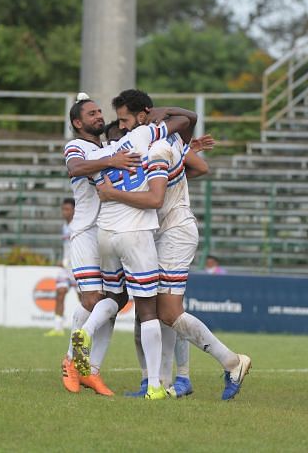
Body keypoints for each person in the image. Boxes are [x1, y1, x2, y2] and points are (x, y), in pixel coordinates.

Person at [95, 91, 252, 401]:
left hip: (175, 232)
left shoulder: (157, 149)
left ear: (142, 117)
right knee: (151, 311)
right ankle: (160, 381)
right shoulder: (165, 144)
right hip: (160, 231)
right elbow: (196, 164)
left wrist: (113, 195)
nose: (121, 126)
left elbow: (154, 198)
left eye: (125, 119)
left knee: (166, 312)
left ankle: (231, 362)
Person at [70, 89, 198, 400]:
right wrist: (157, 115)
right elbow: (184, 120)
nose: (121, 124)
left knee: (113, 297)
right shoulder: (142, 135)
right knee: (148, 310)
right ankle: (154, 384)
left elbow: (94, 181)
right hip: (135, 233)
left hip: (105, 234)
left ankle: (86, 353)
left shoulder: (101, 155)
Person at [59, 95, 140, 397]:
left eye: (98, 112)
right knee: (93, 301)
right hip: (85, 232)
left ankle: (89, 370)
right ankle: (72, 361)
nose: (98, 116)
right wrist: (111, 161)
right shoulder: (76, 146)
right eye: (91, 113)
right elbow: (75, 168)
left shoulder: (108, 147)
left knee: (114, 303)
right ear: (78, 123)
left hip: (109, 231)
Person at [45, 198, 77, 337]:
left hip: (77, 268)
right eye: (63, 209)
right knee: (60, 293)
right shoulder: (65, 226)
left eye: (67, 209)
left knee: (85, 300)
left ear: (74, 210)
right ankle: (58, 328)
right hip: (65, 268)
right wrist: (63, 261)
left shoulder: (78, 226)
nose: (64, 212)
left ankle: (86, 329)